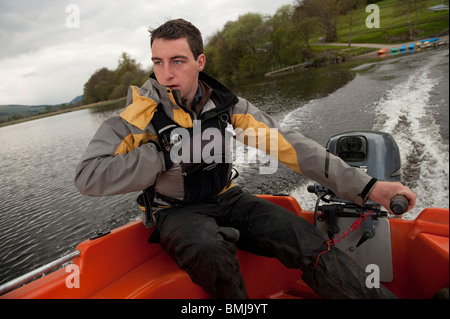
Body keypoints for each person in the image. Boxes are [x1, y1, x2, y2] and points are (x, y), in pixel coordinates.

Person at [74, 19, 416, 299]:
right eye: (158, 62)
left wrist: (370, 187)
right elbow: (88, 176)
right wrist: (164, 154)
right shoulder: (138, 116)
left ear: (199, 62)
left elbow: (292, 148)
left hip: (228, 197)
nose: (166, 74)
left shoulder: (227, 106)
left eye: (177, 61)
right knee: (209, 248)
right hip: (175, 212)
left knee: (306, 239)